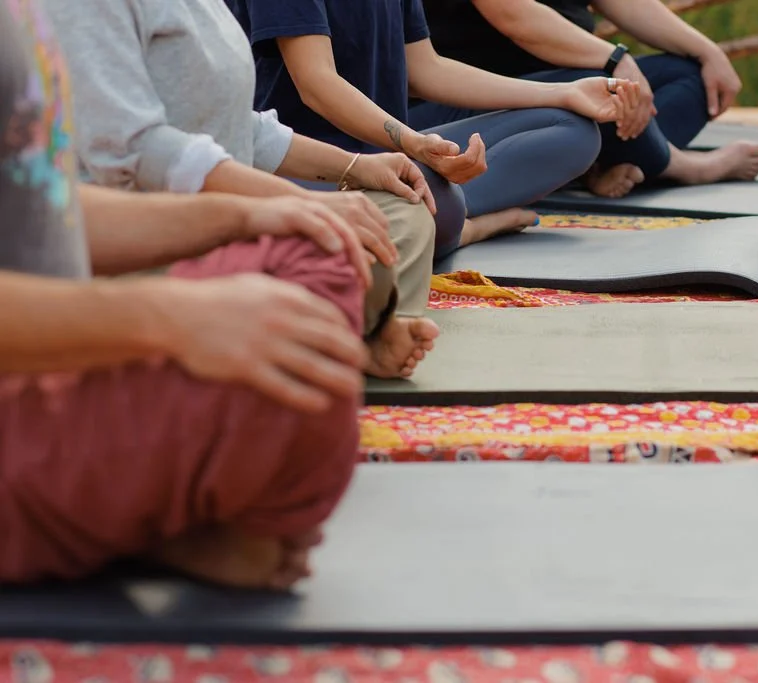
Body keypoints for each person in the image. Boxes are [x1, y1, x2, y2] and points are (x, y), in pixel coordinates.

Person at [0, 0, 372, 588]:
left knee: (315, 251)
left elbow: (45, 211)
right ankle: (148, 515)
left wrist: (244, 218)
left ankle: (136, 509)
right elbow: (135, 147)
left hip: (68, 342)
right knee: (296, 383)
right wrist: (169, 317)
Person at [42, 0, 440, 379]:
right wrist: (301, 204)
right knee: (341, 253)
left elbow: (240, 125)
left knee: (400, 210)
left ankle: (351, 331)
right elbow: (135, 148)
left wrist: (356, 167)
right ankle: (342, 330)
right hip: (142, 236)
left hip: (229, 217)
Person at [224, 0, 643, 252]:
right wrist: (413, 144)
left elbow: (426, 70)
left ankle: (440, 215)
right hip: (312, 165)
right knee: (417, 210)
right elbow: (318, 83)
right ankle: (463, 225)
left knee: (573, 130)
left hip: (394, 158)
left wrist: (564, 93)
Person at [416, 0, 758, 198]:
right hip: (477, 98)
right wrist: (616, 61)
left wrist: (709, 53)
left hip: (568, 85)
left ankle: (590, 168)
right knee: (600, 94)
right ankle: (682, 166)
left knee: (689, 76)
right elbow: (516, 18)